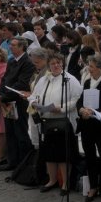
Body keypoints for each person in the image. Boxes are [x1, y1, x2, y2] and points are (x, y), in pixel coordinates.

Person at [31, 52, 83, 194]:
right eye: (53, 64)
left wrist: (61, 108)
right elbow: (33, 95)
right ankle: (52, 180)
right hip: (46, 121)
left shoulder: (70, 80)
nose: (56, 66)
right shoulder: (44, 80)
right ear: (48, 65)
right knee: (49, 153)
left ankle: (65, 183)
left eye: (59, 63)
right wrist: (34, 103)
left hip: (63, 121)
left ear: (63, 64)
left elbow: (77, 100)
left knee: (62, 154)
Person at [76, 54, 101, 202]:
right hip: (86, 125)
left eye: (91, 66)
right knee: (89, 156)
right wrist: (81, 110)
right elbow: (80, 101)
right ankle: (93, 186)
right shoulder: (87, 82)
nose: (89, 69)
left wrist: (94, 111)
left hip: (100, 126)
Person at [0, 36, 37, 172]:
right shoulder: (12, 61)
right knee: (10, 132)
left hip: (18, 102)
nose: (11, 47)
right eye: (11, 45)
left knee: (21, 133)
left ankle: (23, 163)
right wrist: (1, 95)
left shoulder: (28, 63)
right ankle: (12, 161)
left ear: (21, 47)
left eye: (13, 45)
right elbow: (5, 79)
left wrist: (5, 96)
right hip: (8, 102)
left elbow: (22, 83)